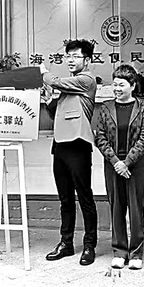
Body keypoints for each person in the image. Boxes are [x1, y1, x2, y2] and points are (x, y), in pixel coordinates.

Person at [40, 39, 98, 266]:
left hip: (78, 145)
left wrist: (43, 72)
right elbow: (59, 114)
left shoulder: (86, 80)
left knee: (85, 197)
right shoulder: (69, 88)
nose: (71, 60)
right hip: (60, 146)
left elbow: (54, 80)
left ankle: (89, 245)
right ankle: (66, 243)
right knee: (65, 199)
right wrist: (49, 102)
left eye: (75, 56)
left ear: (87, 60)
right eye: (68, 56)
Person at [94, 64, 144, 270]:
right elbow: (100, 137)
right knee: (116, 207)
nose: (117, 88)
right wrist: (116, 162)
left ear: (133, 85)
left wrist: (126, 162)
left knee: (136, 208)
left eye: (121, 85)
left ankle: (136, 253)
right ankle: (119, 251)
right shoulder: (105, 107)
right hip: (113, 165)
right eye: (115, 84)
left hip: (136, 165)